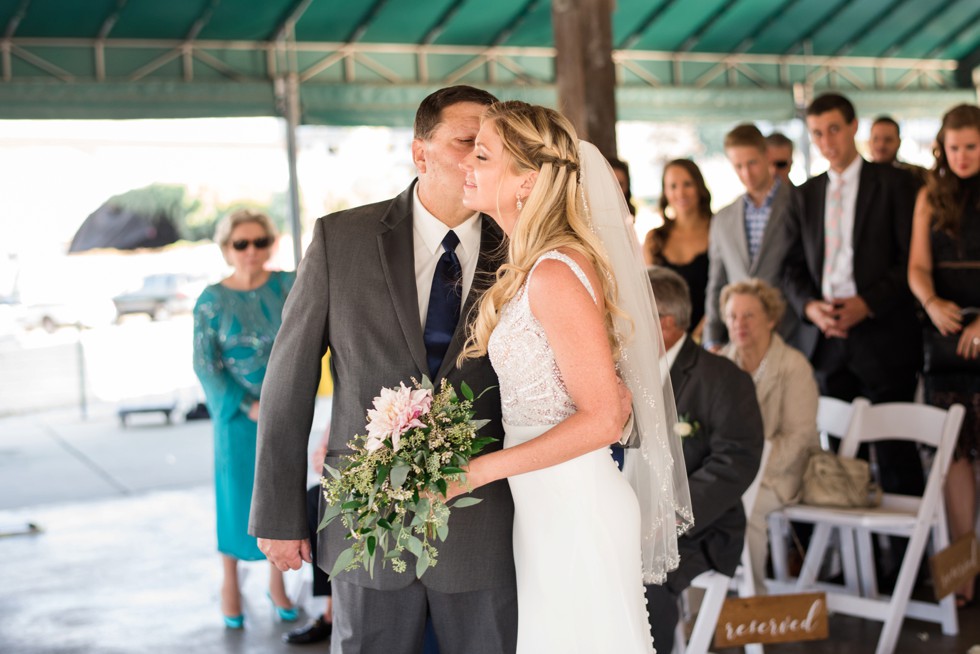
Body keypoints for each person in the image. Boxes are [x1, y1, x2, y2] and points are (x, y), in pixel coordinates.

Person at [249, 85, 518, 654]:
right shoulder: (339, 239)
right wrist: (279, 512)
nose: (478, 158)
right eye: (465, 142)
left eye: (490, 147)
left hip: (486, 524)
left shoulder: (523, 249)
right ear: (420, 154)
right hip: (365, 521)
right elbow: (288, 383)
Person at [456, 101, 693, 653]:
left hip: (576, 511)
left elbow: (607, 416)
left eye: (484, 154)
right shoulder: (534, 265)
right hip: (545, 511)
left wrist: (477, 471)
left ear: (527, 182)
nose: (468, 163)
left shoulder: (555, 272)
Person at [782, 92, 924, 501]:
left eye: (833, 130)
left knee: (896, 452)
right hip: (827, 339)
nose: (826, 141)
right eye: (816, 133)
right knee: (841, 460)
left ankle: (907, 563)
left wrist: (869, 303)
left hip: (884, 334)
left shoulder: (895, 184)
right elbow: (792, 267)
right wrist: (810, 307)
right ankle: (854, 563)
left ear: (853, 127)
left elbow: (908, 261)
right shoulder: (806, 194)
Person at [643, 267, 764, 653]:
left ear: (665, 324)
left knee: (643, 580)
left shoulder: (723, 378)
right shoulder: (626, 371)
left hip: (701, 527)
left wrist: (668, 517)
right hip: (633, 513)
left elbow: (736, 461)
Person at [192, 209, 298, 629]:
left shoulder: (288, 285)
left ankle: (278, 584)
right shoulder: (211, 300)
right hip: (235, 418)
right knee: (236, 499)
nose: (250, 251)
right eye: (241, 243)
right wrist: (245, 405)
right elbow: (205, 363)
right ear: (226, 249)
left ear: (270, 244)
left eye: (259, 242)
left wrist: (282, 402)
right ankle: (230, 584)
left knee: (281, 497)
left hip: (284, 411)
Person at [908, 103, 980, 606]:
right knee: (954, 457)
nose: (962, 156)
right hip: (944, 340)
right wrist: (931, 302)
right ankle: (963, 573)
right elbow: (916, 266)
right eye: (954, 147)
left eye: (971, 146)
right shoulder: (929, 195)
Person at [719, 279, 819, 593]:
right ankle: (699, 609)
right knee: (695, 504)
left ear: (771, 319)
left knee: (746, 509)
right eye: (734, 316)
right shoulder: (722, 363)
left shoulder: (793, 365)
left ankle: (754, 601)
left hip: (783, 472)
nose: (740, 324)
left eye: (749, 316)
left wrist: (750, 470)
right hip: (733, 470)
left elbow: (798, 437)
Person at [705, 123, 798, 350]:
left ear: (767, 155)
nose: (746, 173)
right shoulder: (723, 219)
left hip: (794, 335)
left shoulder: (799, 204)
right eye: (738, 166)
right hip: (740, 340)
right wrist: (712, 338)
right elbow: (717, 282)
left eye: (752, 163)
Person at [643, 159, 712, 341]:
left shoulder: (717, 230)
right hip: (668, 339)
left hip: (712, 335)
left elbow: (724, 286)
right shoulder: (654, 239)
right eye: (673, 186)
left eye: (687, 184)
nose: (680, 192)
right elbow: (651, 298)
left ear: (699, 186)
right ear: (665, 193)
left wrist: (699, 336)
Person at [869, 115, 928, 187]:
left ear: (898, 142)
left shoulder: (916, 174)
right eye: (876, 139)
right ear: (869, 142)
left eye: (888, 140)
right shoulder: (859, 174)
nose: (881, 145)